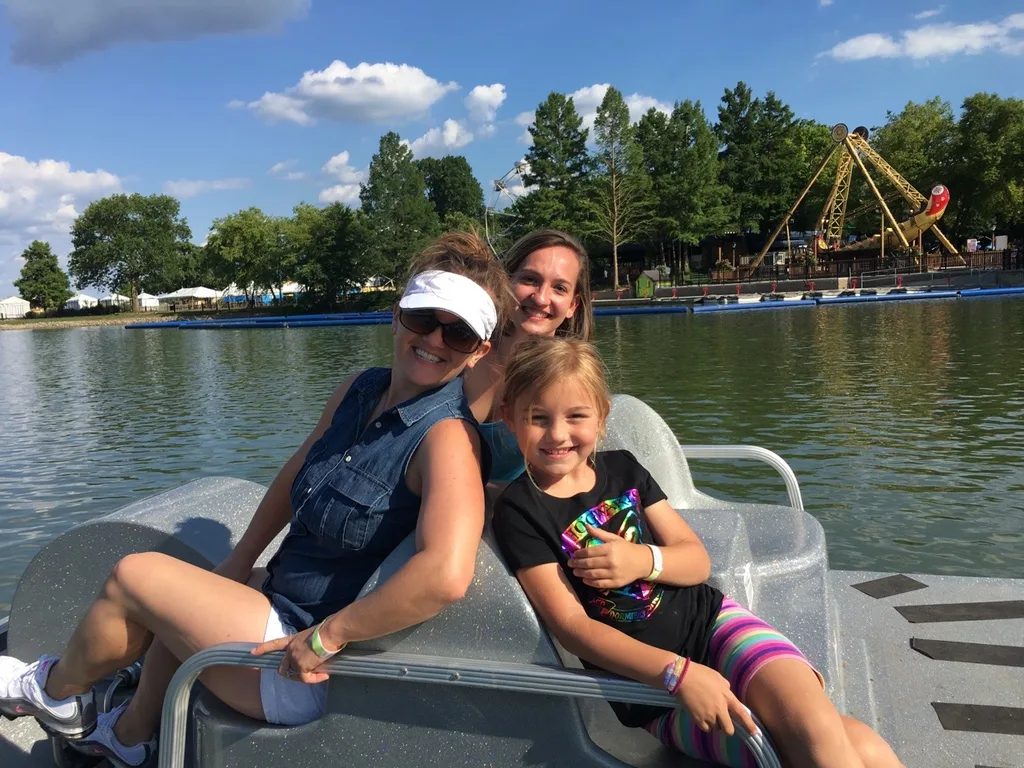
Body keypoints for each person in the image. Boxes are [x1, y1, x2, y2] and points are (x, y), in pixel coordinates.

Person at [0, 232, 513, 767]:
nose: (434, 338)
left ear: (479, 350)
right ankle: (129, 738)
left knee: (136, 577)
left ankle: (56, 693)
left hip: (303, 662)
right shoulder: (360, 389)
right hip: (280, 603)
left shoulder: (447, 439)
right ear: (397, 316)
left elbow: (445, 574)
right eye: (423, 318)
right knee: (195, 587)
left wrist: (328, 636)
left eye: (458, 332)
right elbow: (295, 472)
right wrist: (240, 560)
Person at [492, 335, 904, 768]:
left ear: (601, 417)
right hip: (652, 691)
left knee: (820, 728)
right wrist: (678, 674)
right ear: (509, 418)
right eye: (538, 418)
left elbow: (696, 561)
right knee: (796, 750)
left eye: (576, 415)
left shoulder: (624, 469)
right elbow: (573, 628)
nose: (558, 434)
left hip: (715, 624)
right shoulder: (521, 512)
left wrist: (643, 559)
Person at [465, 229, 594, 484]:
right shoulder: (461, 351)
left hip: (520, 505)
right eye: (530, 280)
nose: (541, 298)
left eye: (559, 288)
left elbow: (575, 479)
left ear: (572, 305)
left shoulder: (573, 377)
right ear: (505, 282)